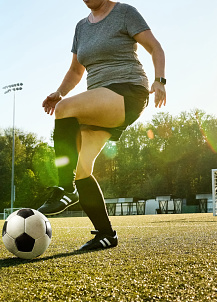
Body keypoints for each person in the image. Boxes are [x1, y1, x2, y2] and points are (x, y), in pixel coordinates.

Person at [37, 0, 166, 250]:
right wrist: (59, 93)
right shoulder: (81, 28)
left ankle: (65, 189)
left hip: (128, 91)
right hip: (100, 102)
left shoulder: (125, 13)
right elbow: (76, 71)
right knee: (81, 169)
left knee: (64, 112)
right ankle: (106, 235)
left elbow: (155, 47)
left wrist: (160, 80)